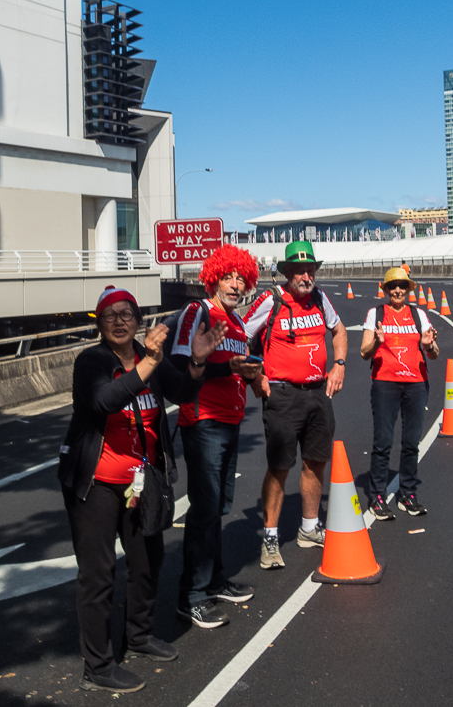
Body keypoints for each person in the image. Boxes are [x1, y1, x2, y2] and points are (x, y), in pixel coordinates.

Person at [58, 286, 222, 693]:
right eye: (110, 315)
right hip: (95, 481)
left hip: (142, 481)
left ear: (138, 321)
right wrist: (148, 361)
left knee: (147, 560)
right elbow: (104, 402)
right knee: (98, 574)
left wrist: (198, 363)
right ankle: (97, 666)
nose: (119, 321)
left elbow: (183, 393)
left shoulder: (153, 361)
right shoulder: (91, 362)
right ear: (99, 323)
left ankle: (140, 634)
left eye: (127, 313)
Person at [169, 246, 260, 629]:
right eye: (229, 277)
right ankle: (192, 595)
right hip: (203, 419)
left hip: (229, 420)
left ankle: (214, 578)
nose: (236, 284)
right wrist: (228, 369)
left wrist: (252, 376)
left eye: (242, 279)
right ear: (214, 277)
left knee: (218, 507)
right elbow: (180, 364)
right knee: (204, 509)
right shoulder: (199, 313)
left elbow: (235, 368)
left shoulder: (236, 324)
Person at [243, 240, 347, 569]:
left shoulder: (320, 298)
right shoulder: (271, 300)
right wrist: (254, 377)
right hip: (282, 394)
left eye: (310, 269)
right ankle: (271, 536)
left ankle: (309, 528)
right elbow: (239, 335)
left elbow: (339, 330)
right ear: (286, 272)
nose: (305, 275)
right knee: (280, 466)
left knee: (315, 461)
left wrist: (339, 364)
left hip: (317, 393)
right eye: (298, 270)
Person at [359, 268, 439, 520]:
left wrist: (429, 345)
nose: (397, 290)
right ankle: (377, 496)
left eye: (402, 286)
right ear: (385, 289)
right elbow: (364, 352)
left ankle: (408, 493)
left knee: (411, 443)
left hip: (416, 384)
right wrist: (377, 342)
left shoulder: (419, 315)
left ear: (408, 289)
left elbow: (434, 353)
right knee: (383, 442)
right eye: (392, 286)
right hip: (385, 384)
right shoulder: (376, 314)